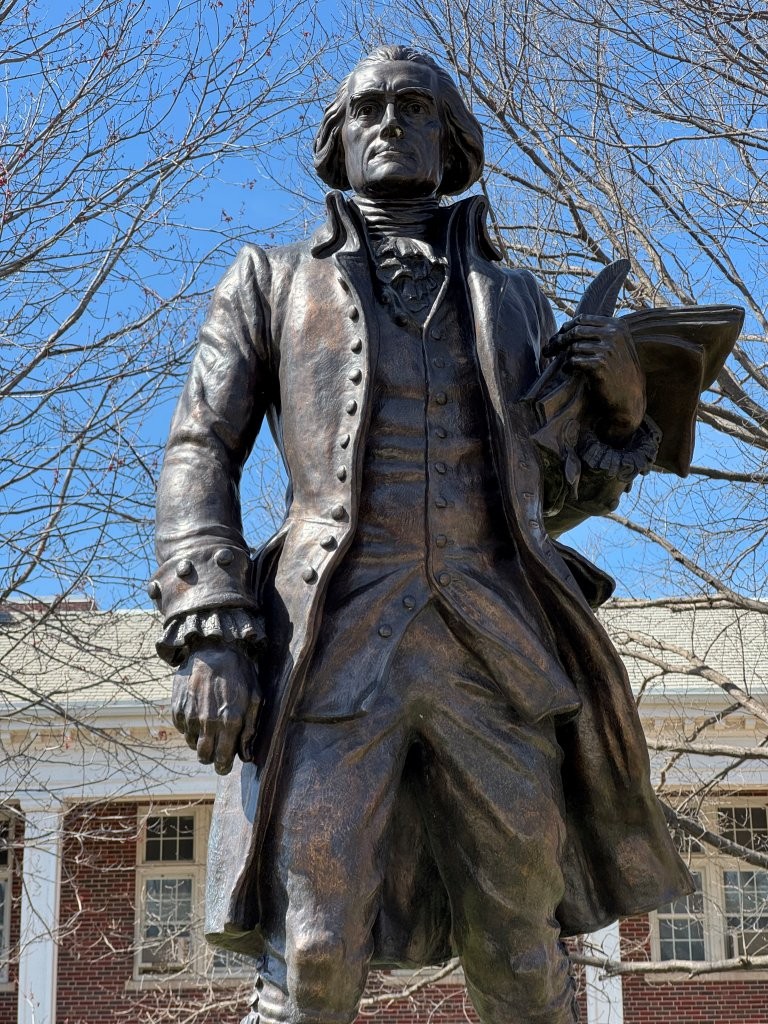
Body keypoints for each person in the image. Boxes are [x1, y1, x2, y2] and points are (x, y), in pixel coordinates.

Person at [151, 45, 703, 1024]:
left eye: (415, 106)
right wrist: (210, 630)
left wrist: (620, 409)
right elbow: (199, 451)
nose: (389, 121)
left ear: (453, 142)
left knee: (525, 954)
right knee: (312, 951)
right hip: (332, 647)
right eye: (368, 105)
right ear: (338, 138)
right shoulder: (269, 282)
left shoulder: (516, 298)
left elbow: (556, 491)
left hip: (495, 646)